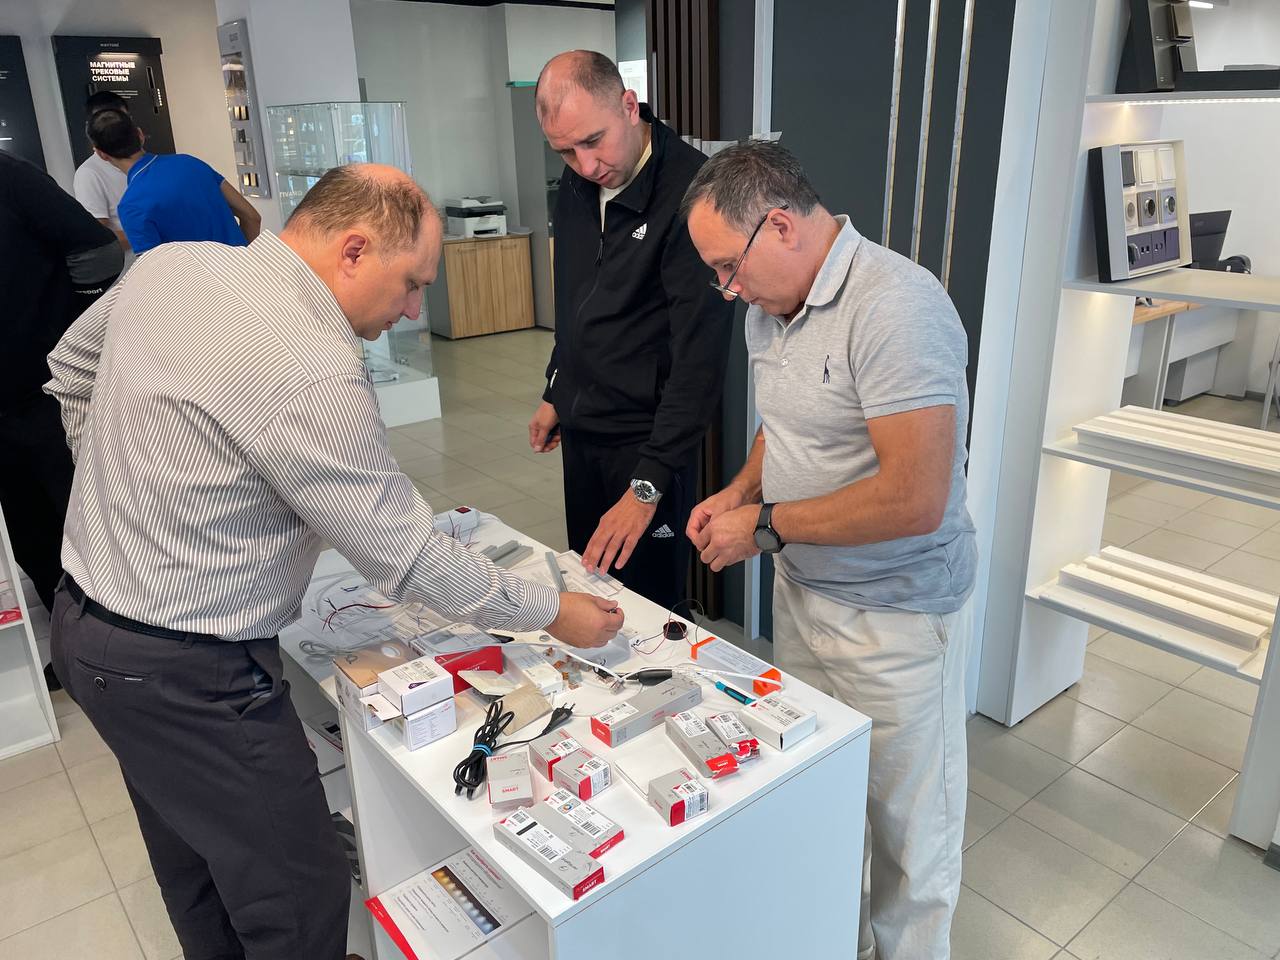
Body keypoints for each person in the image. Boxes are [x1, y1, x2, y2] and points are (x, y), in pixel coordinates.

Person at [45, 163, 623, 960]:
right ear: (354, 250)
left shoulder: (175, 265)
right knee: (298, 889)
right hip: (188, 673)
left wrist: (123, 495)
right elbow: (409, 559)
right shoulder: (313, 366)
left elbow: (71, 368)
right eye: (412, 283)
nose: (415, 309)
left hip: (87, 626)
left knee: (196, 858)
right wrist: (554, 611)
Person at [682, 140, 977, 960]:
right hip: (804, 599)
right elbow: (787, 426)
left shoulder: (897, 307)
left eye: (728, 267)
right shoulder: (768, 310)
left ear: (780, 226)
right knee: (824, 800)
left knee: (911, 837)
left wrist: (765, 525)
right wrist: (741, 491)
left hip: (894, 619)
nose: (726, 288)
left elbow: (916, 498)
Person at [527, 50, 733, 609]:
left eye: (593, 141)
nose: (585, 164)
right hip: (583, 429)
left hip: (646, 441)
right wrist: (556, 388)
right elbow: (576, 300)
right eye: (565, 151)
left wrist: (646, 488)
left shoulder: (693, 192)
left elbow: (699, 361)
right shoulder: (577, 182)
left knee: (646, 607)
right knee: (589, 587)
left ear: (628, 105)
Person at [0, 152, 123, 689]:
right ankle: (74, 645)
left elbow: (99, 248)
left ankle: (113, 646)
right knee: (27, 532)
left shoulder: (9, 177)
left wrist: (75, 325)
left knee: (83, 519)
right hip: (5, 408)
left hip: (45, 393)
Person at [86, 107, 261, 255]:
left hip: (196, 285)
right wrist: (245, 261)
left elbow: (157, 272)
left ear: (101, 154)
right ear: (139, 134)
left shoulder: (131, 206)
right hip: (244, 278)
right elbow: (252, 217)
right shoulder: (190, 163)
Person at [72, 90, 132, 250]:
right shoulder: (89, 174)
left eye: (120, 121)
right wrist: (153, 233)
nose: (114, 129)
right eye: (104, 122)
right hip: (135, 261)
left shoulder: (152, 164)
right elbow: (100, 237)